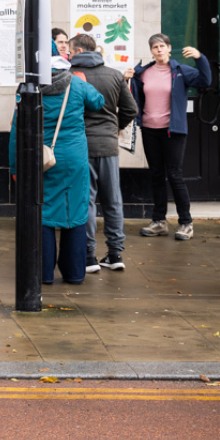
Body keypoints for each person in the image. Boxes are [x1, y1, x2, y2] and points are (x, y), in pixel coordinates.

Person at [9, 57, 105, 285]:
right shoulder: (77, 84)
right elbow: (98, 102)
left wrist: (15, 167)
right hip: (74, 158)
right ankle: (74, 273)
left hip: (39, 158)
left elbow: (16, 130)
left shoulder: (29, 89)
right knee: (77, 212)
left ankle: (44, 273)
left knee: (44, 214)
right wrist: (83, 82)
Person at [127, 34, 212, 241]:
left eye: (162, 46)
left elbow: (205, 81)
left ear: (169, 48)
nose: (159, 50)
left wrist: (200, 58)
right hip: (149, 129)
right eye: (155, 47)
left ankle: (186, 222)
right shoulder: (143, 72)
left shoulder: (181, 71)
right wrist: (126, 78)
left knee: (174, 175)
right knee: (156, 175)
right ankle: (159, 222)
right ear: (151, 51)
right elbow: (131, 95)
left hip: (172, 131)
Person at [68, 33, 137, 273]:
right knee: (113, 199)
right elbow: (131, 109)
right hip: (108, 145)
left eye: (69, 50)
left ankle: (89, 256)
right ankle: (115, 253)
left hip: (80, 145)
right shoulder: (114, 75)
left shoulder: (69, 76)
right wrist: (113, 127)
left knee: (86, 201)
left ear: (77, 51)